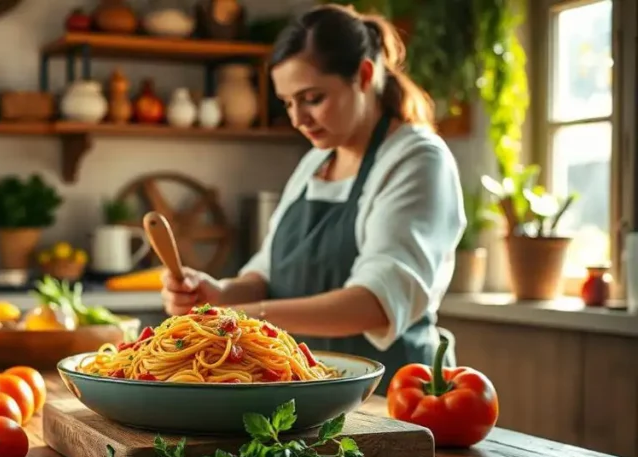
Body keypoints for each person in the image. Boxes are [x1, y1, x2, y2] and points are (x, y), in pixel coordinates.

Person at [160, 4, 466, 391]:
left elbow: (374, 302)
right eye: (288, 102)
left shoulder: (417, 158)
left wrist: (233, 315)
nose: (297, 118)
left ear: (364, 76)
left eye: (312, 98)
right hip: (309, 392)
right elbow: (269, 273)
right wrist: (218, 292)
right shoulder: (315, 162)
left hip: (391, 395)